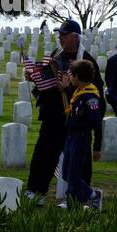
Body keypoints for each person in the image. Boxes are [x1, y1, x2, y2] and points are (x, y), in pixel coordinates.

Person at [25, 19, 104, 203]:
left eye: (64, 35)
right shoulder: (56, 55)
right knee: (44, 153)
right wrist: (34, 78)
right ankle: (36, 191)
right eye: (59, 34)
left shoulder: (87, 61)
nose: (60, 38)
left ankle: (78, 198)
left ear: (75, 37)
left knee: (78, 161)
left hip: (77, 119)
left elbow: (94, 92)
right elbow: (46, 80)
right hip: (53, 116)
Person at [60, 59, 104, 210]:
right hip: (71, 136)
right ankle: (73, 200)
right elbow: (75, 105)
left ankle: (93, 195)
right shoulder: (79, 91)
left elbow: (96, 123)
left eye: (71, 75)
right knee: (66, 173)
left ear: (77, 76)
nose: (70, 78)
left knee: (73, 175)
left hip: (81, 137)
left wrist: (97, 147)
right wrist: (66, 89)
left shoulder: (90, 97)